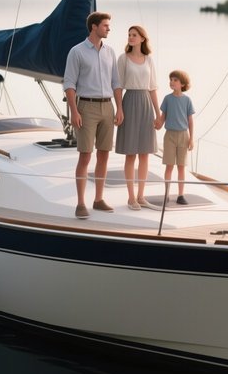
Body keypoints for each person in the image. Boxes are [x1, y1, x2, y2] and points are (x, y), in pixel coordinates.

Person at [63, 12, 124, 219]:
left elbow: (116, 82)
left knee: (104, 154)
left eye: (108, 25)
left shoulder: (110, 52)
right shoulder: (77, 52)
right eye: (105, 25)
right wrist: (74, 111)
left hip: (108, 107)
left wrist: (119, 108)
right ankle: (81, 203)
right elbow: (69, 84)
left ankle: (98, 200)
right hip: (86, 108)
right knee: (85, 155)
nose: (109, 29)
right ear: (94, 27)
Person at [115, 25, 161, 209]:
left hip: (146, 104)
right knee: (130, 153)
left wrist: (158, 114)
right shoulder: (123, 59)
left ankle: (141, 196)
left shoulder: (149, 60)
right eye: (129, 35)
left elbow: (153, 88)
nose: (131, 37)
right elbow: (118, 86)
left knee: (145, 153)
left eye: (134, 35)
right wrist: (119, 109)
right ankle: (131, 197)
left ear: (142, 38)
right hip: (129, 102)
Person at [156, 70, 195, 204]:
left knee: (181, 167)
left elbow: (190, 121)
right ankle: (166, 194)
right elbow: (162, 118)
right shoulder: (167, 99)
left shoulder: (187, 100)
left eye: (175, 80)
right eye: (171, 79)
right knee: (169, 166)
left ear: (182, 84)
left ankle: (180, 195)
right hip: (170, 136)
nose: (171, 82)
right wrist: (156, 125)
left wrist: (191, 138)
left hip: (183, 136)